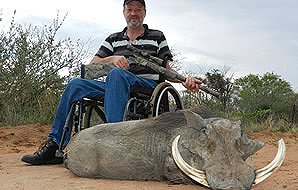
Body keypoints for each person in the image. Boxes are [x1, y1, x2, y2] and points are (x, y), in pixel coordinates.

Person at [21, 0, 201, 165]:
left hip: (147, 87)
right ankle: (55, 145)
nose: (133, 13)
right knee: (75, 84)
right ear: (124, 12)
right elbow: (93, 65)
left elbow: (167, 69)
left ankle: (113, 141)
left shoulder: (157, 36)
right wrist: (112, 58)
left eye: (138, 10)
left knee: (116, 75)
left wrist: (186, 80)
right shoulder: (113, 38)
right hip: (115, 84)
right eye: (129, 9)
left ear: (144, 13)